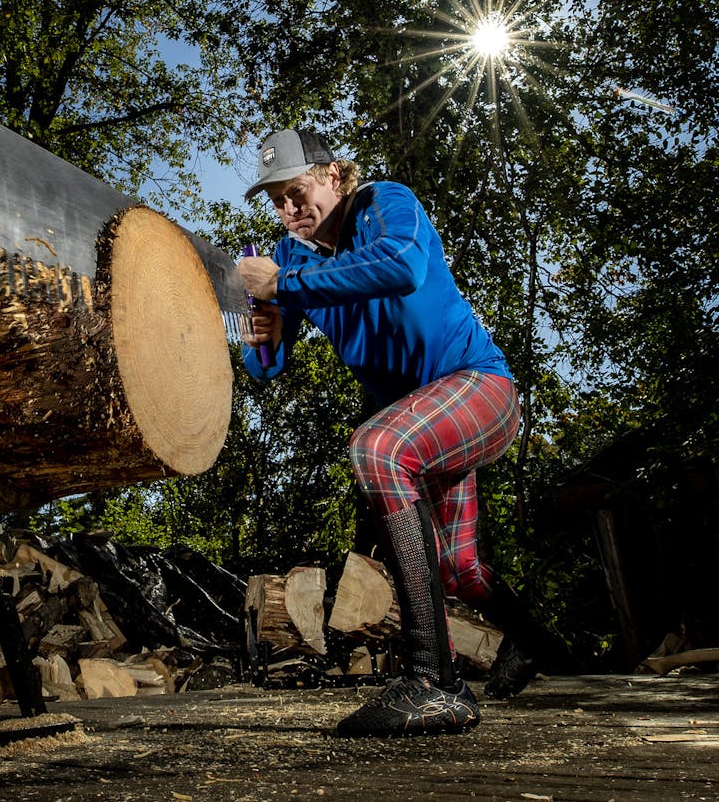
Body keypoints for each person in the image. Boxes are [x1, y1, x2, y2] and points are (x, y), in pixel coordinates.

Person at [235, 128, 556, 736]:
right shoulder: (294, 257)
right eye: (275, 200)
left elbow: (402, 265)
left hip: (477, 388)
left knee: (377, 447)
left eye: (297, 191)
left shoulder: (385, 203)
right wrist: (265, 330)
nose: (288, 210)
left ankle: (435, 682)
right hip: (421, 421)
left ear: (333, 176)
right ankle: (535, 638)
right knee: (459, 568)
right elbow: (266, 367)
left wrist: (283, 286)